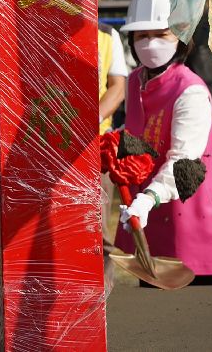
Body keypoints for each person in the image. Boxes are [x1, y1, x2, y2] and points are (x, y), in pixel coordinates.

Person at [115, 0, 212, 285]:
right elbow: (137, 132)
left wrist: (148, 198)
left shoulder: (191, 90)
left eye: (161, 34)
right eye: (142, 35)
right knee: (151, 303)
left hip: (191, 208)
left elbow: (185, 162)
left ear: (181, 37)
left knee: (195, 306)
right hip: (147, 209)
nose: (150, 43)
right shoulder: (135, 80)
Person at [97, 22, 128, 286]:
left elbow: (117, 87)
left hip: (94, 146)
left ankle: (101, 292)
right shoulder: (32, 26)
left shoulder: (105, 35)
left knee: (98, 230)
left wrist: (91, 118)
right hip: (43, 143)